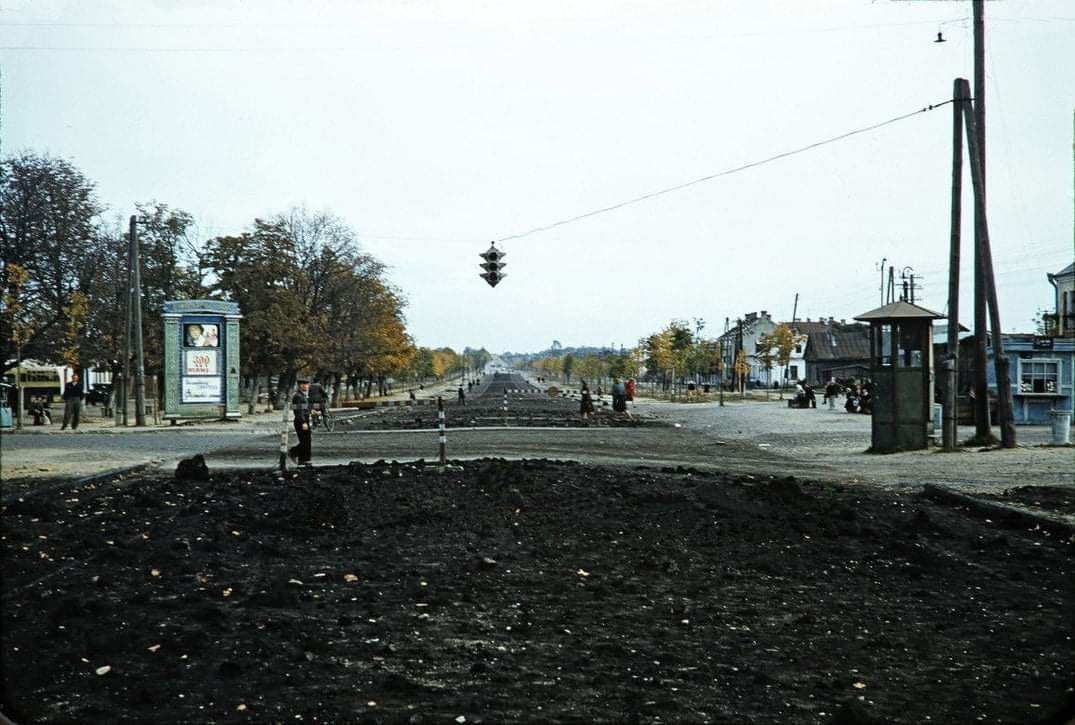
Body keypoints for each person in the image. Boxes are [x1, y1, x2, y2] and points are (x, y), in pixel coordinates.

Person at [289, 378, 313, 465]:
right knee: (305, 441)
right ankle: (293, 452)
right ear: (301, 385)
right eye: (306, 384)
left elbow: (304, 408)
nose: (307, 386)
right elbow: (298, 411)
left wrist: (311, 411)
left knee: (307, 441)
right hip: (301, 421)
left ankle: (303, 459)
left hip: (304, 420)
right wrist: (303, 422)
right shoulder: (298, 396)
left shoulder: (302, 396)